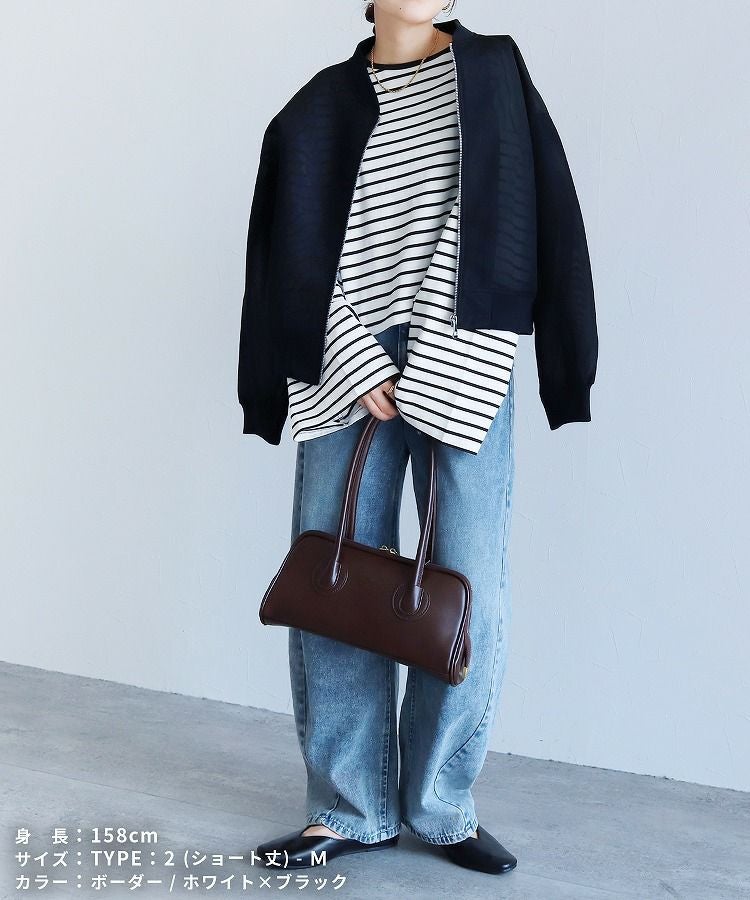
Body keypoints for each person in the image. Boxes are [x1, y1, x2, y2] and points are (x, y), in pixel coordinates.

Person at [239, 0, 598, 876]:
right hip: (344, 358)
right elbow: (285, 253)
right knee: (334, 577)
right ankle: (347, 808)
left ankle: (439, 807)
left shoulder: (495, 73)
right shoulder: (312, 109)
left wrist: (553, 362)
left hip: (463, 343)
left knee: (468, 583)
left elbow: (541, 214)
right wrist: (351, 355)